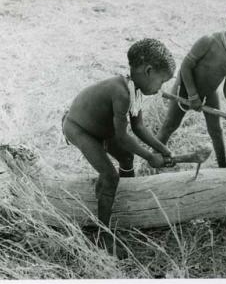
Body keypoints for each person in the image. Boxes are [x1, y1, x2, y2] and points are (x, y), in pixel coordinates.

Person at [62, 38, 176, 254]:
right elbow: (123, 138)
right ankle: (102, 234)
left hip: (101, 130)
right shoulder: (121, 92)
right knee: (110, 176)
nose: (161, 88)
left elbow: (139, 127)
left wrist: (162, 149)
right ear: (149, 71)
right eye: (161, 81)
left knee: (126, 158)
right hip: (80, 129)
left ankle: (126, 196)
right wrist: (150, 157)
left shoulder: (135, 91)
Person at [157, 6, 226, 167]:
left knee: (217, 132)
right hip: (185, 89)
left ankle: (223, 168)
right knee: (170, 126)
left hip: (209, 94)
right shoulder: (209, 41)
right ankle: (153, 160)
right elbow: (186, 67)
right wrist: (193, 95)